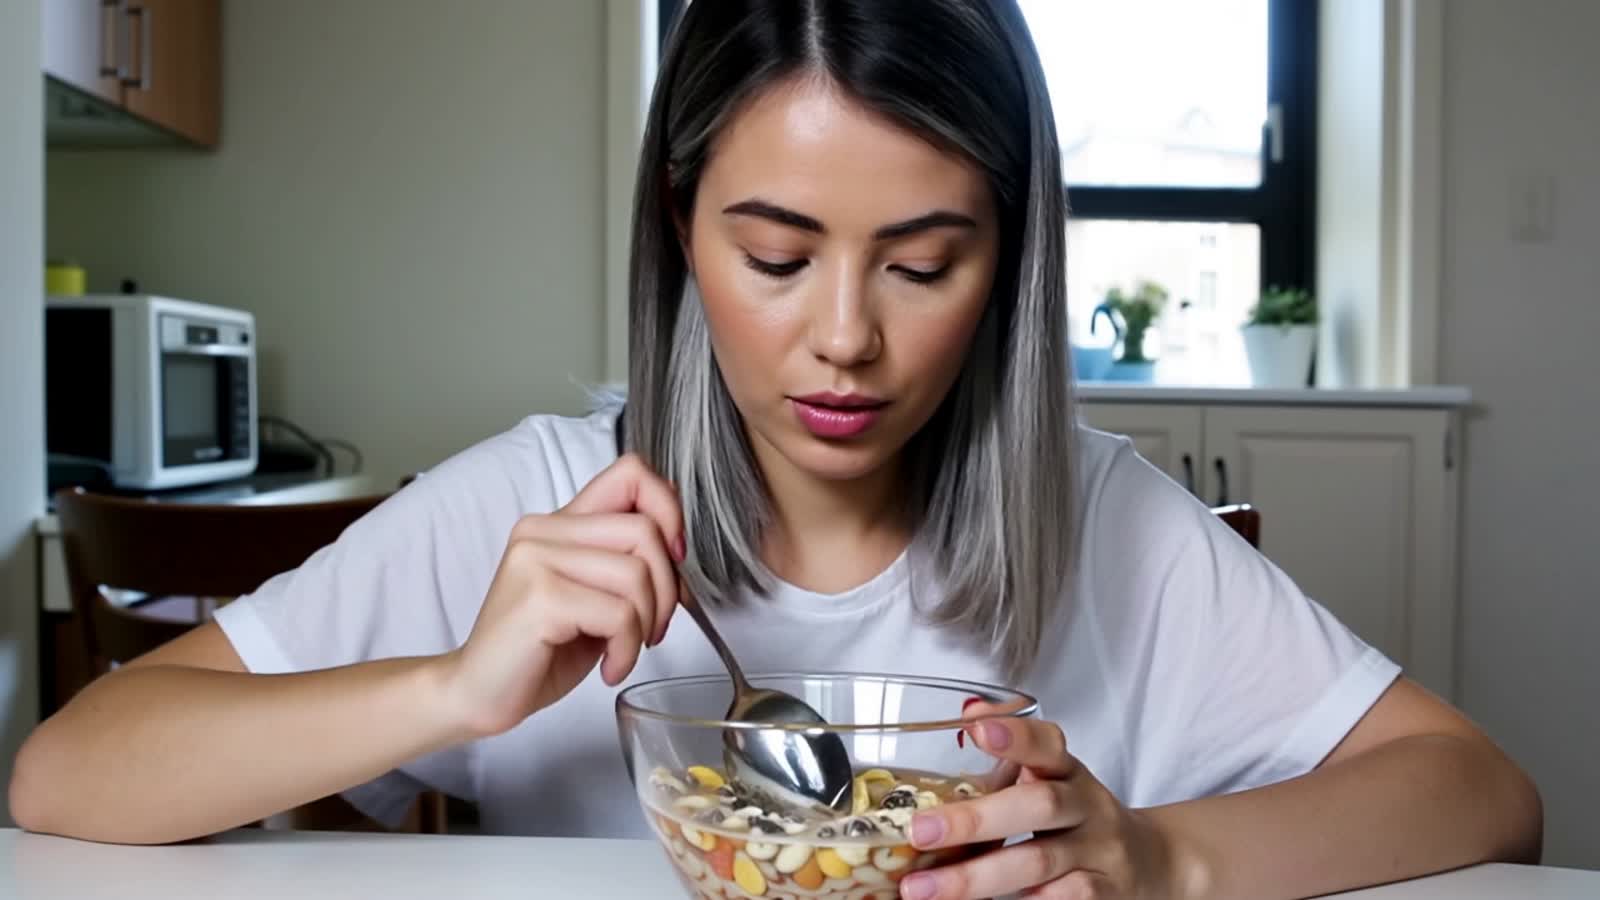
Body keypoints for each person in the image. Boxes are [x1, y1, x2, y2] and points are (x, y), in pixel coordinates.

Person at [10, 1, 1540, 897]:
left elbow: (1481, 793)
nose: (846, 339)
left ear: (1009, 262)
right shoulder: (545, 506)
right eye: (778, 257)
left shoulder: (1112, 527)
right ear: (681, 232)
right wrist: (454, 688)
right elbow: (66, 775)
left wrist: (1157, 861)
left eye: (923, 264)